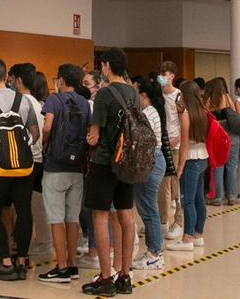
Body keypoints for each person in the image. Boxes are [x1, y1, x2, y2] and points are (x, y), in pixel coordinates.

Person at [0, 58, 39, 281]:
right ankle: (21, 261)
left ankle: (4, 261)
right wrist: (22, 151)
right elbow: (35, 133)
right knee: (24, 211)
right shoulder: (23, 101)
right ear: (6, 76)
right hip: (24, 168)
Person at [81, 48, 137, 296]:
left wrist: (90, 136)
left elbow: (94, 135)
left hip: (105, 162)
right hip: (127, 162)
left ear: (105, 66)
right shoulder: (133, 94)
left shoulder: (104, 95)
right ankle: (125, 275)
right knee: (126, 216)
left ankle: (105, 276)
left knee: (100, 217)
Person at [38, 65, 90, 283]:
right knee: (72, 218)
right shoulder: (84, 103)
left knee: (56, 218)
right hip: (77, 167)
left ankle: (60, 267)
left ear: (60, 80)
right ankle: (72, 265)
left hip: (55, 166)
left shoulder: (54, 100)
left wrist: (45, 142)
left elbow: (48, 126)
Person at [11, 63, 51, 260]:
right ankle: (41, 242)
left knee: (26, 206)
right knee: (34, 204)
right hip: (38, 159)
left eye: (12, 79)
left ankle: (32, 245)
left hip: (26, 160)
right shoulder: (37, 102)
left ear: (18, 80)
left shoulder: (20, 103)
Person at [165, 80, 208, 253]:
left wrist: (180, 167)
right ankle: (198, 235)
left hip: (190, 159)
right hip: (203, 157)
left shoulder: (186, 114)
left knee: (187, 200)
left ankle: (187, 238)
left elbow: (184, 145)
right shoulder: (202, 111)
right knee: (199, 198)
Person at [133, 76, 167, 271]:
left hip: (150, 160)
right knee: (148, 208)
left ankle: (154, 254)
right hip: (154, 159)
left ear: (143, 95)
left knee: (149, 210)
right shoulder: (151, 111)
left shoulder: (147, 113)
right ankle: (155, 252)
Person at [157, 62, 187, 240]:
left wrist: (179, 138)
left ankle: (179, 221)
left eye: (165, 74)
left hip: (175, 145)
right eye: (160, 74)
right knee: (162, 187)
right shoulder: (158, 96)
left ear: (172, 76)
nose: (161, 77)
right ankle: (162, 221)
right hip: (161, 144)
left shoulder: (179, 96)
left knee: (176, 185)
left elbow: (185, 122)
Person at [202, 78, 238, 205]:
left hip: (217, 135)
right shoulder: (227, 97)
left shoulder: (208, 100)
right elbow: (235, 113)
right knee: (231, 166)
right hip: (231, 135)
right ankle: (232, 196)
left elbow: (205, 117)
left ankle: (218, 197)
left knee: (218, 165)